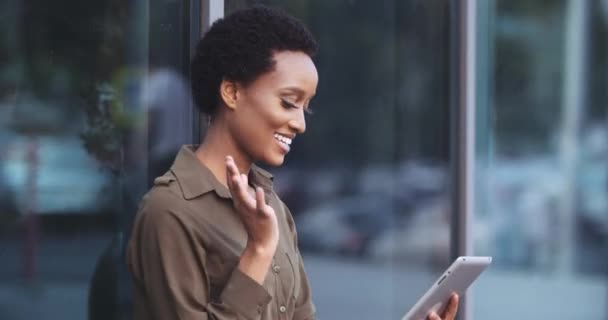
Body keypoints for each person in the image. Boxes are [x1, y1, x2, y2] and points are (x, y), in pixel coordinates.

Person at [126, 5, 459, 320]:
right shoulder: (169, 212)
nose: (300, 123)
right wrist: (258, 251)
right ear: (231, 92)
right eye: (288, 103)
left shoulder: (272, 206)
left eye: (306, 107)